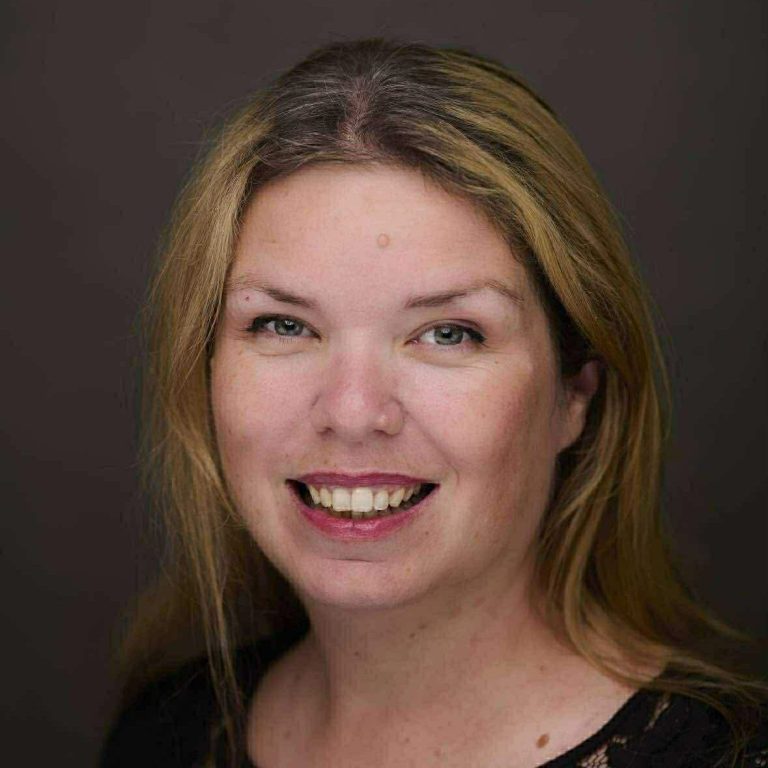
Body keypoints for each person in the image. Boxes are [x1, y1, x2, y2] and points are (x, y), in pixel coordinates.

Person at [100, 38, 767, 767]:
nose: (353, 413)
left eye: (447, 334)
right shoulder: (161, 735)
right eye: (284, 325)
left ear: (574, 394)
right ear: (205, 369)